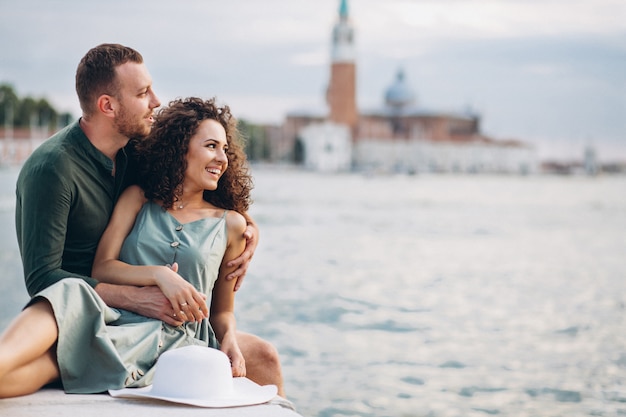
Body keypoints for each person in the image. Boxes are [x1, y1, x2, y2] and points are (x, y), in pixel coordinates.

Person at [4, 44, 283, 396]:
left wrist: (245, 223)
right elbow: (44, 279)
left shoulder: (136, 151)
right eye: (142, 93)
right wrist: (143, 293)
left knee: (264, 358)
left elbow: (191, 185)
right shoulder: (53, 169)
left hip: (151, 325)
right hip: (78, 306)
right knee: (65, 303)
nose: (156, 101)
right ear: (108, 105)